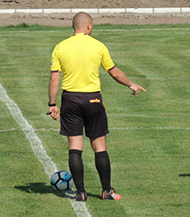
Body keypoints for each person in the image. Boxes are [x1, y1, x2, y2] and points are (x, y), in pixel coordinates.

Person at [48, 12, 146, 201]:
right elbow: (114, 72)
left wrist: (52, 104)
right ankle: (106, 191)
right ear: (89, 27)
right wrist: (131, 84)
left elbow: (54, 78)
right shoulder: (98, 46)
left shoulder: (60, 47)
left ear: (73, 27)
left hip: (70, 100)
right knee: (99, 146)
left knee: (75, 147)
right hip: (93, 99)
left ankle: (80, 193)